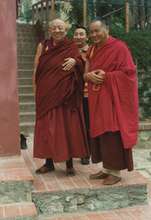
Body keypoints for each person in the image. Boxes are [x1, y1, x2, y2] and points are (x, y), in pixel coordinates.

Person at [84, 20, 138, 185]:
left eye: (97, 31)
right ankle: (106, 169)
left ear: (106, 29)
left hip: (113, 99)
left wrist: (107, 76)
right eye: (91, 32)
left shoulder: (119, 47)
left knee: (112, 131)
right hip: (97, 97)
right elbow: (86, 71)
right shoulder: (92, 49)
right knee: (100, 130)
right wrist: (87, 76)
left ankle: (115, 172)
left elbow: (129, 73)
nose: (94, 35)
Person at [33, 19, 89, 176]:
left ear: (66, 29)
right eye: (54, 27)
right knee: (47, 128)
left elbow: (81, 64)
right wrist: (35, 89)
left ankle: (69, 164)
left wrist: (75, 61)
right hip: (46, 92)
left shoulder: (71, 46)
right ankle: (49, 163)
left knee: (67, 127)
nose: (57, 30)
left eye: (60, 27)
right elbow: (37, 67)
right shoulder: (43, 46)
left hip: (66, 95)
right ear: (49, 30)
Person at [73, 26, 90, 165]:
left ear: (86, 37)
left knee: (87, 123)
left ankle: (86, 153)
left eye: (81, 34)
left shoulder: (92, 51)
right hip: (71, 94)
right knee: (74, 124)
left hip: (86, 93)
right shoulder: (69, 50)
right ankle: (75, 150)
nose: (78, 36)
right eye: (76, 34)